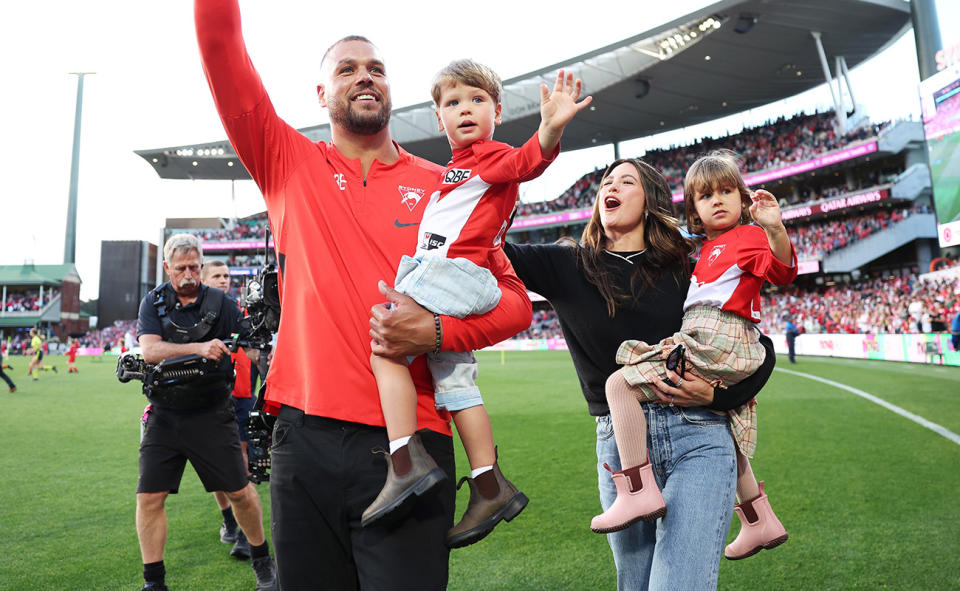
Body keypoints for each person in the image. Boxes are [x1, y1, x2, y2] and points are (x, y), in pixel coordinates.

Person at [196, 3, 532, 588]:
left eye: (376, 67)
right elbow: (222, 51)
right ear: (322, 90)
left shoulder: (443, 187)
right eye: (348, 69)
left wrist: (436, 334)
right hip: (303, 438)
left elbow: (514, 302)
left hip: (414, 444)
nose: (365, 76)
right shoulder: (285, 161)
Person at [483, 158, 775, 589]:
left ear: (650, 200)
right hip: (619, 446)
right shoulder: (568, 265)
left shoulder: (686, 267)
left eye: (626, 181)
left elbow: (759, 348)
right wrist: (500, 168)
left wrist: (717, 399)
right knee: (634, 584)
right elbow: (482, 246)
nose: (610, 187)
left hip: (698, 435)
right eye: (605, 182)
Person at [364, 59, 591, 547]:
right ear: (438, 118)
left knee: (384, 344)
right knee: (456, 379)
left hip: (456, 273)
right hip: (457, 276)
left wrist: (549, 130)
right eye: (452, 102)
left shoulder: (489, 156)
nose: (465, 109)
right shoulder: (456, 168)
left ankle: (404, 461)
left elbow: (526, 162)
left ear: (497, 112)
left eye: (477, 100)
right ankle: (489, 484)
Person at [591, 151, 796, 563]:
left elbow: (782, 272)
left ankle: (636, 488)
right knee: (724, 424)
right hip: (710, 333)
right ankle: (759, 519)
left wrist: (773, 228)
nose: (717, 200)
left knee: (618, 383)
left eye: (726, 191)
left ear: (742, 198)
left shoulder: (749, 236)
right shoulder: (705, 250)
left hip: (720, 331)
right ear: (695, 211)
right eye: (706, 196)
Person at [135, 234, 277, 591]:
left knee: (241, 492)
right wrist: (199, 347)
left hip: (213, 413)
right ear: (167, 267)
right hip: (165, 414)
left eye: (194, 267)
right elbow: (150, 351)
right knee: (149, 497)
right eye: (181, 267)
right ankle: (154, 582)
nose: (188, 274)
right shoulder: (152, 303)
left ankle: (263, 563)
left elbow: (251, 342)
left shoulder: (221, 302)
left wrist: (271, 361)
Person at [201, 259, 264, 558]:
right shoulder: (196, 318)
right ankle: (230, 522)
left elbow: (257, 350)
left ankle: (242, 533)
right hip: (212, 398)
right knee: (216, 466)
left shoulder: (240, 311)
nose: (224, 280)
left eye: (226, 275)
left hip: (242, 398)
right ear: (204, 280)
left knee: (240, 463)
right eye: (217, 276)